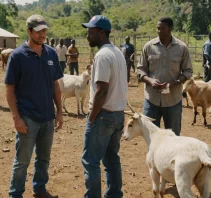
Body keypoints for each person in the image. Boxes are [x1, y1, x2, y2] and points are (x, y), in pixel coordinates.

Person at [5, 14, 64, 198]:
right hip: (27, 118)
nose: (42, 35)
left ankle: (39, 189)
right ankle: (15, 194)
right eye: (38, 31)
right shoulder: (17, 56)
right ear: (28, 31)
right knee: (22, 160)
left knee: (44, 158)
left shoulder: (51, 54)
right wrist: (16, 117)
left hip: (47, 117)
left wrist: (60, 111)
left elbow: (55, 84)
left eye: (44, 30)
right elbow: (9, 89)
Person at [81, 15, 127, 198]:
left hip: (103, 115)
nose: (87, 35)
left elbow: (101, 91)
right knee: (111, 158)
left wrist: (92, 117)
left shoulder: (102, 55)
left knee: (90, 161)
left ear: (101, 32)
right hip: (118, 114)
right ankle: (114, 194)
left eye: (90, 31)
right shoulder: (117, 53)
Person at [137, 17, 193, 136]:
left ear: (170, 29)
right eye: (158, 28)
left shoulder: (182, 48)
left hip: (173, 100)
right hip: (151, 100)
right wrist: (150, 80)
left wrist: (175, 83)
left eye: (162, 28)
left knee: (173, 138)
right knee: (150, 137)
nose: (159, 31)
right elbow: (140, 69)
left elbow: (188, 71)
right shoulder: (148, 46)